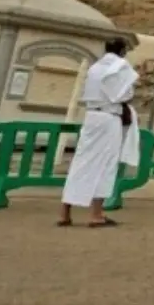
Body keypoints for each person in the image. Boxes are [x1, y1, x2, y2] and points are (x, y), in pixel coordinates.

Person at [58, 38, 141, 228]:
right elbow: (124, 94)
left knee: (81, 161)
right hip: (108, 118)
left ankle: (65, 212)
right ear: (123, 51)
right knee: (105, 164)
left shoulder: (94, 67)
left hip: (91, 116)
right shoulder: (121, 66)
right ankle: (96, 214)